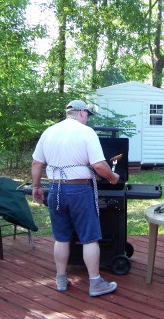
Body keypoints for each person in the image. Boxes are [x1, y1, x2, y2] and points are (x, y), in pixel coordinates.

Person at [31, 99, 120, 296]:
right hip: (79, 190)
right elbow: (99, 165)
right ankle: (95, 284)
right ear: (81, 112)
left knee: (61, 237)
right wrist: (113, 177)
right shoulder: (86, 132)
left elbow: (37, 163)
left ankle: (61, 279)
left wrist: (36, 187)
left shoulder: (49, 131)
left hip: (55, 189)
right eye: (87, 114)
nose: (87, 118)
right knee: (89, 238)